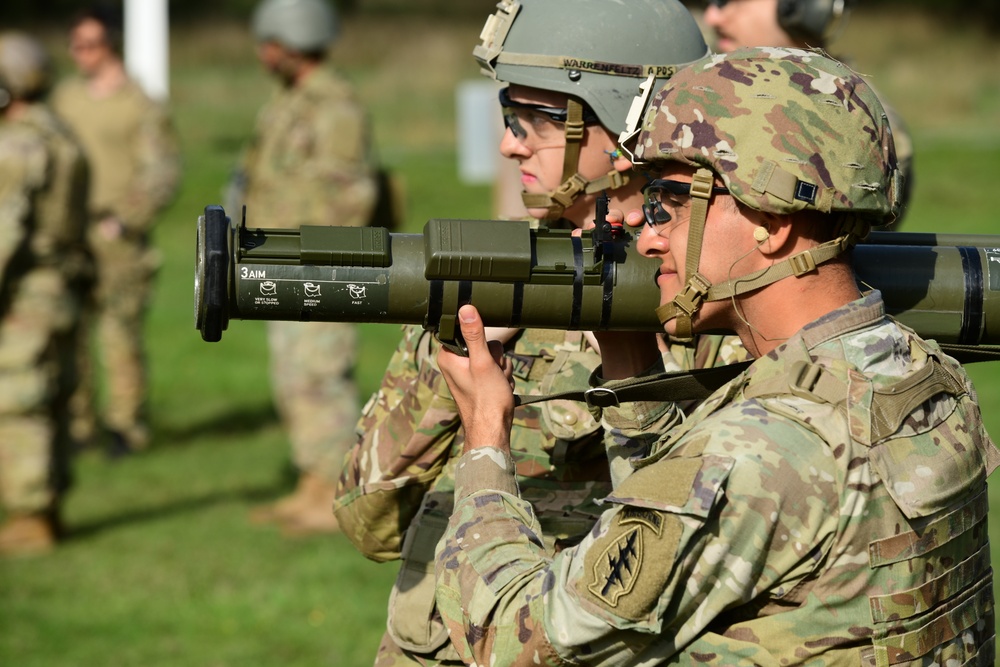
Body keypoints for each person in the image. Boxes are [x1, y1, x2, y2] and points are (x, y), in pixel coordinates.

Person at [433, 47, 997, 665]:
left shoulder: (767, 448)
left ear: (772, 222)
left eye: (668, 204)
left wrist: (485, 438)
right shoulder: (921, 375)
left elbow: (518, 642)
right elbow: (712, 533)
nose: (646, 237)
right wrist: (633, 371)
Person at [333, 1, 744, 664]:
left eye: (531, 120)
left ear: (624, 123)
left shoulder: (722, 305)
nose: (508, 143)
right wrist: (456, 380)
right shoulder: (496, 276)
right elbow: (366, 520)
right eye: (506, 116)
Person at [236, 0, 380, 535]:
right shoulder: (288, 102)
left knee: (321, 376)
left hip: (318, 267)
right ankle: (311, 483)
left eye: (268, 44)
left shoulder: (333, 106)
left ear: (290, 44)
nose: (262, 55)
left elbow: (352, 194)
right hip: (283, 265)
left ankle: (335, 493)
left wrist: (317, 259)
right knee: (294, 376)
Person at [51, 5, 180, 455]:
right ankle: (78, 425)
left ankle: (124, 426)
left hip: (117, 235)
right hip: (68, 233)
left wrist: (125, 219)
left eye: (92, 44)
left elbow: (162, 171)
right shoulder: (65, 98)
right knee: (70, 332)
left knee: (119, 333)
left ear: (111, 44)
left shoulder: (138, 103)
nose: (83, 54)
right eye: (76, 45)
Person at [0, 32, 90, 555]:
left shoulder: (15, 145)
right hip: (61, 289)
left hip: (27, 295)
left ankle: (29, 516)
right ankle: (49, 505)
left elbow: (5, 231)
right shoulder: (61, 135)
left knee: (19, 403)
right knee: (54, 398)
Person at [699, 0, 915, 219]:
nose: (712, 17)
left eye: (731, 1)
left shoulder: (863, 121)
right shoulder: (698, 87)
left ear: (806, 5)